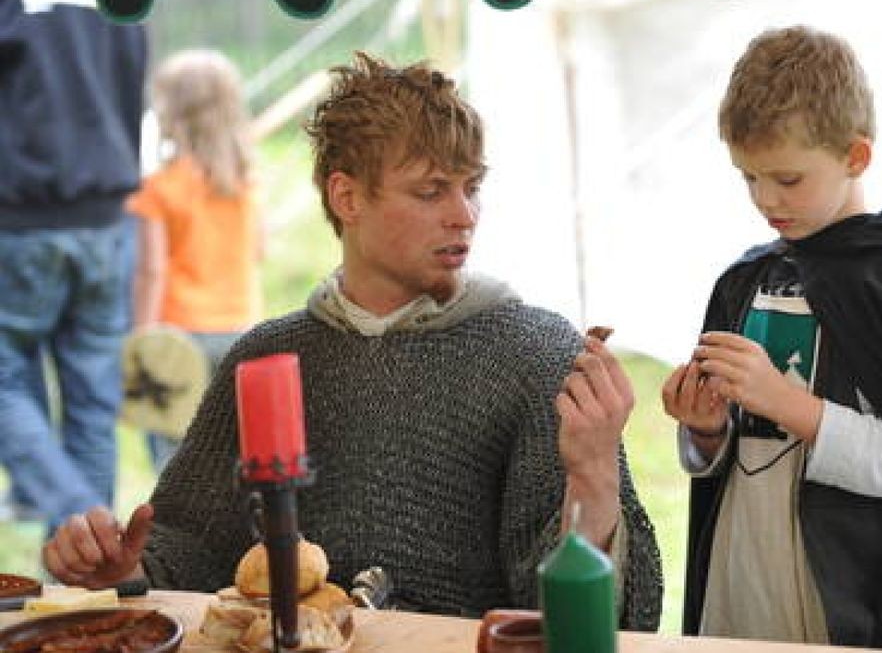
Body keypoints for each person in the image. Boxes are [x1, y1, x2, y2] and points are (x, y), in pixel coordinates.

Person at [41, 52, 663, 630]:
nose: (464, 214)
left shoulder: (534, 354)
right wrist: (124, 570)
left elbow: (590, 621)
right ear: (347, 197)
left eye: (471, 186)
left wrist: (593, 477)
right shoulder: (268, 358)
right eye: (430, 190)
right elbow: (190, 551)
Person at [661, 25, 882, 650]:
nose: (765, 199)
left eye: (788, 179)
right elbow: (727, 458)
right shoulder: (748, 280)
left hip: (848, 592)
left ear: (856, 157)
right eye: (749, 178)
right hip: (746, 570)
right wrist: (706, 429)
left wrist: (784, 402)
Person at [0, 0, 147, 527]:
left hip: (21, 218)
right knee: (91, 410)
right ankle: (86, 587)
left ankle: (79, 522)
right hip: (108, 216)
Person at [127, 49, 264, 473]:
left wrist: (141, 339)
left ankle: (174, 537)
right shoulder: (246, 182)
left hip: (177, 332)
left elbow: (152, 270)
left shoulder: (158, 187)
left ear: (172, 113)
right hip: (240, 331)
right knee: (231, 454)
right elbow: (258, 251)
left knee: (174, 455)